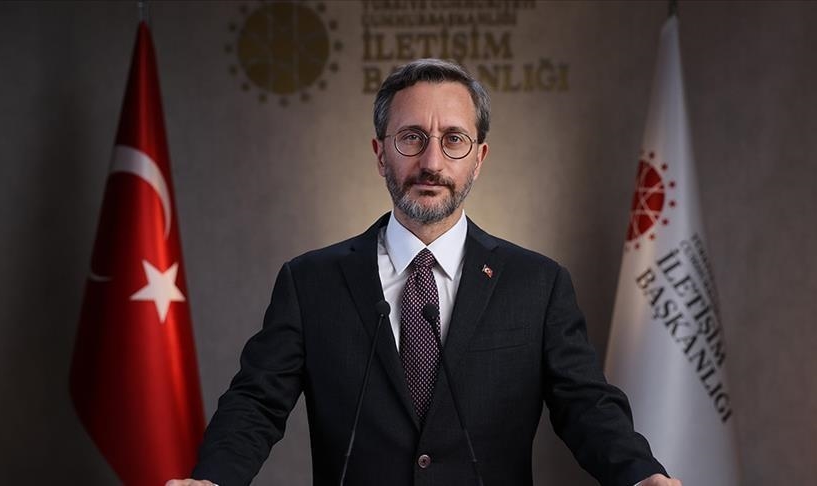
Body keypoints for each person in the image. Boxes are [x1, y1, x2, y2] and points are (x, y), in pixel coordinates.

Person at [168, 59, 681, 486]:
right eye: (411, 138)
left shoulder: (538, 285)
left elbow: (586, 405)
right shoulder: (310, 283)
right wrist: (212, 480)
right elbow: (256, 403)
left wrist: (640, 476)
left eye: (454, 139)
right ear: (380, 154)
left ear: (478, 159)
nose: (432, 161)